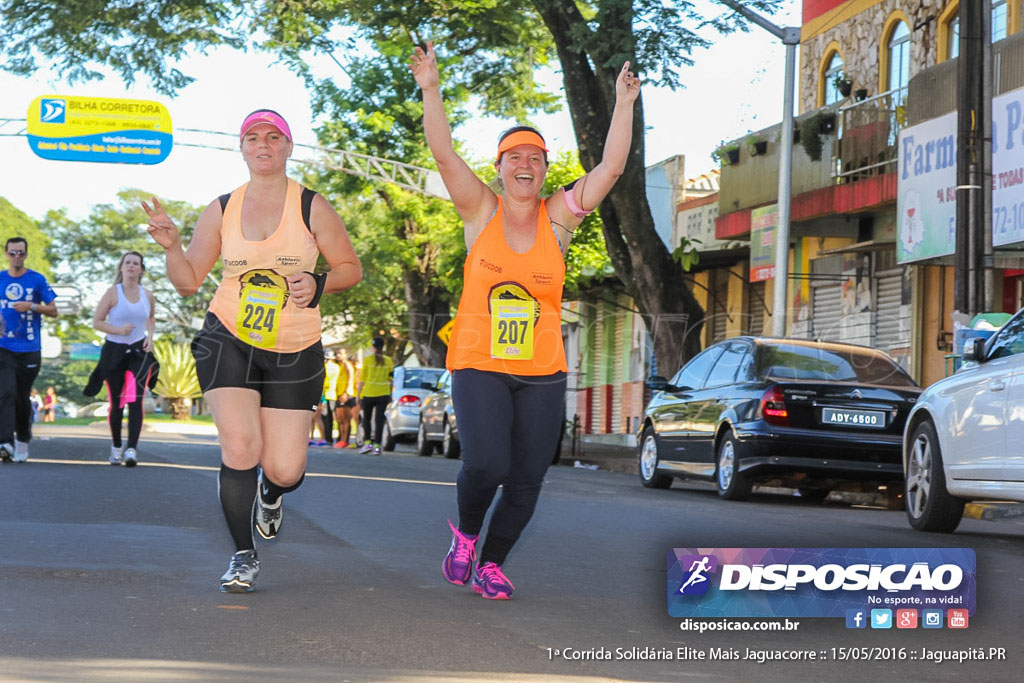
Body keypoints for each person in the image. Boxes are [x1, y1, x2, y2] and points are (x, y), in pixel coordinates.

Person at [411, 41, 639, 599]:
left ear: (543, 170)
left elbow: (610, 168)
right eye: (515, 156)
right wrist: (431, 88)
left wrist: (624, 103)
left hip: (541, 369)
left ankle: (492, 562)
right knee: (487, 464)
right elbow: (442, 155)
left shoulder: (558, 219)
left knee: (529, 477)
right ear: (500, 166)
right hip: (479, 362)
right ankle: (465, 535)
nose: (525, 164)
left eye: (535, 157)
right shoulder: (480, 210)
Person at [142, 108, 362, 592]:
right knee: (241, 446)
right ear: (241, 148)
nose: (263, 145)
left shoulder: (312, 207)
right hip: (229, 335)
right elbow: (187, 282)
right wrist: (173, 247)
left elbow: (350, 267)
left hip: (294, 344)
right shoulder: (221, 208)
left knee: (286, 467)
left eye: (273, 137)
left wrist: (319, 281)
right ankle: (243, 554)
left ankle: (272, 492)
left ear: (288, 146)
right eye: (252, 138)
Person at [85, 251, 157, 467]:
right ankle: (116, 447)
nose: (132, 266)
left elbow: (151, 318)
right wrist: (117, 329)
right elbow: (97, 322)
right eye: (128, 263)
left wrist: (150, 338)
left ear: (141, 269)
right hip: (114, 351)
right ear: (121, 267)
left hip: (138, 351)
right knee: (117, 403)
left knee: (136, 400)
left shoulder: (148, 295)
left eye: (136, 263)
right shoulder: (112, 293)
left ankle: (132, 449)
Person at [0, 237, 58, 462]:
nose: (16, 257)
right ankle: (5, 441)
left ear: (26, 254)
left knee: (22, 397)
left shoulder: (36, 280)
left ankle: (23, 438)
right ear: (6, 254)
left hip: (30, 348)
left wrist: (32, 306)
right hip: (4, 346)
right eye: (12, 253)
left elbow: (54, 310)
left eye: (20, 253)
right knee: (6, 392)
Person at [356, 337, 393, 456]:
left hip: (369, 393)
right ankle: (377, 445)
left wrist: (358, 394)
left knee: (366, 419)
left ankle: (367, 443)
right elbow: (391, 379)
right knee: (379, 420)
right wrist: (391, 393)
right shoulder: (388, 360)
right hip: (383, 393)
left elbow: (362, 379)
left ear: (373, 347)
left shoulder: (368, 360)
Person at [332, 347, 355, 448]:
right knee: (340, 420)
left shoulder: (347, 365)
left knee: (345, 419)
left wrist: (345, 392)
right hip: (339, 394)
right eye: (337, 354)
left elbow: (350, 379)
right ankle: (341, 440)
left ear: (345, 355)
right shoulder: (340, 365)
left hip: (345, 394)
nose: (338, 356)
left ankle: (345, 440)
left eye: (340, 353)